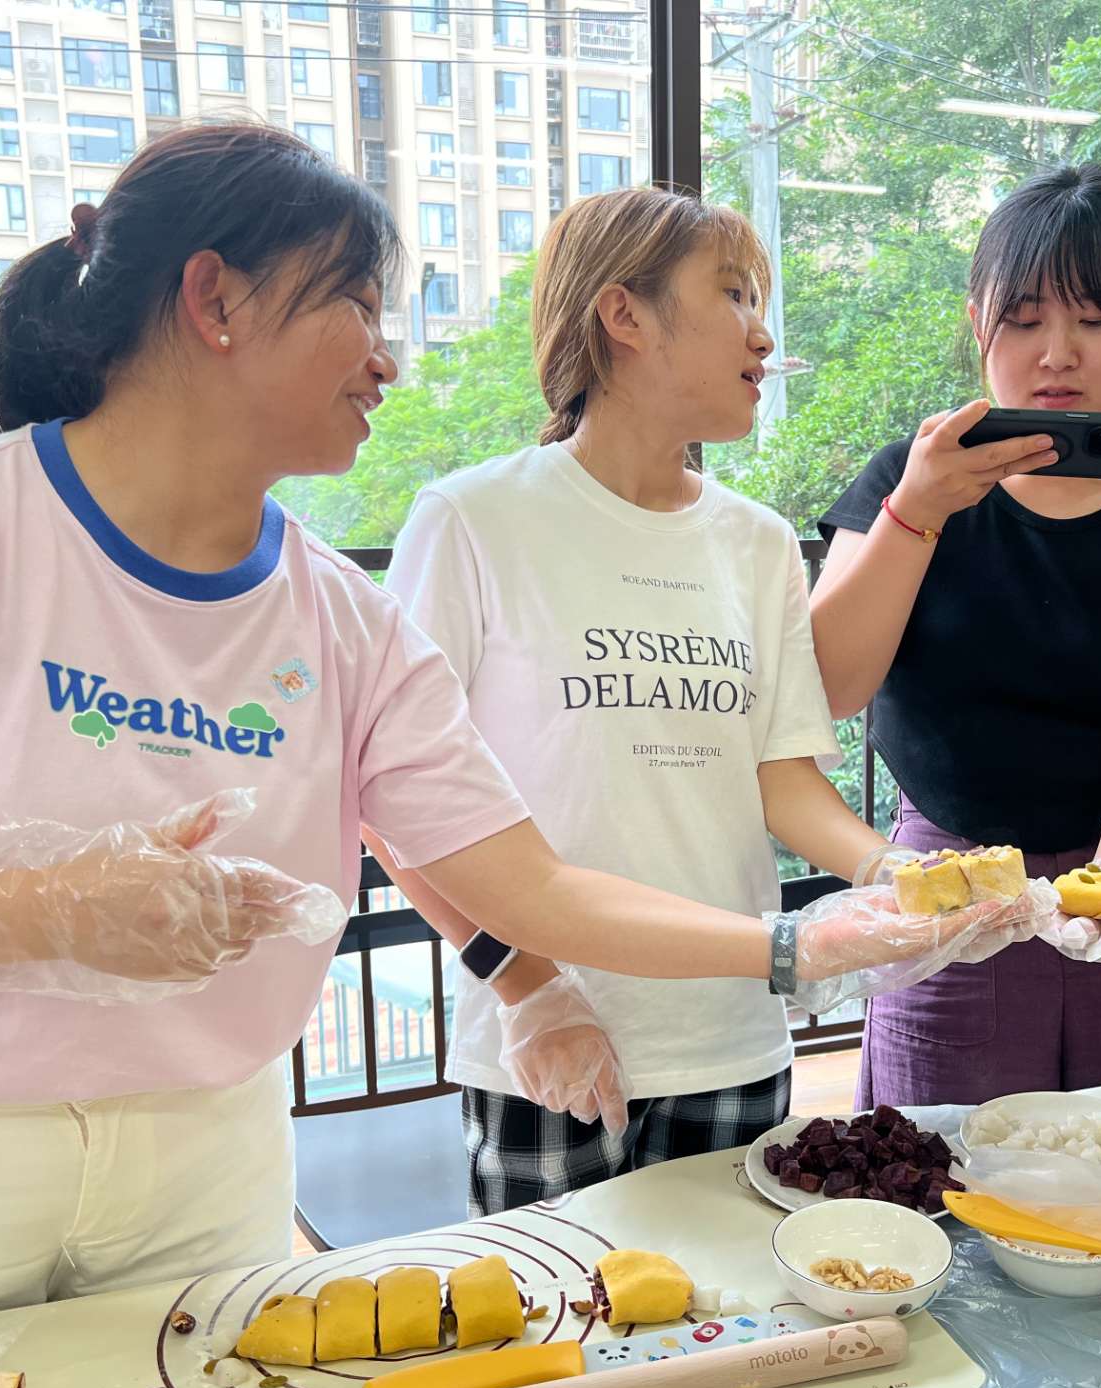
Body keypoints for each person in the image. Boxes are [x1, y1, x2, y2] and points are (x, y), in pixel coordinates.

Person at [0, 124, 1016, 1345]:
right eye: (356, 303)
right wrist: (35, 914)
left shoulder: (338, 616)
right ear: (216, 299)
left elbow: (526, 884)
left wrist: (798, 940)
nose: (388, 359)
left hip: (209, 1157)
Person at [374, 188, 952, 1214]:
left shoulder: (756, 541)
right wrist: (527, 988)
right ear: (624, 315)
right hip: (552, 1045)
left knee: (734, 1306)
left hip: (731, 1032)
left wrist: (890, 872)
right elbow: (394, 800)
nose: (762, 335)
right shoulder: (473, 519)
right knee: (559, 1310)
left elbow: (781, 782)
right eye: (733, 295)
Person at [809, 165, 1101, 1105]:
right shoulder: (906, 482)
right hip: (944, 885)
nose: (1058, 353)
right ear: (978, 319)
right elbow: (829, 689)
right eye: (1023, 320)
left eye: (1095, 318)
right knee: (938, 1169)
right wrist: (916, 513)